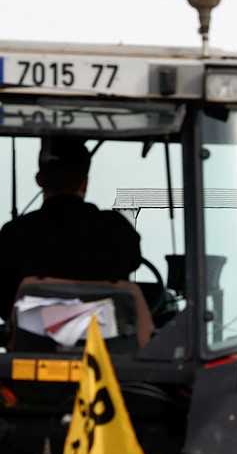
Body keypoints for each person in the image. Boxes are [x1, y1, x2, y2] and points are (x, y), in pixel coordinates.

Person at [0, 137, 142, 320]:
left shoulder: (14, 233)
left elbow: (5, 304)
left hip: (34, 344)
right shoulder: (117, 229)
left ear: (39, 180)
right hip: (107, 344)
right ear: (85, 183)